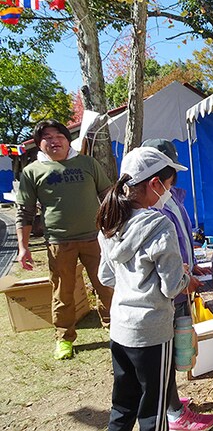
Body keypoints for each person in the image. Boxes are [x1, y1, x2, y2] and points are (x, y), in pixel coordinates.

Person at [96, 147, 213, 431]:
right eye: (169, 186)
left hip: (121, 326)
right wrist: (185, 278)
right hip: (151, 331)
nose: (169, 193)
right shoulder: (159, 224)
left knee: (123, 405)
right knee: (154, 412)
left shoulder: (110, 219)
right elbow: (173, 286)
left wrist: (135, 279)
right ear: (155, 184)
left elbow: (106, 275)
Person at [15, 120, 113, 360]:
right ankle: (64, 338)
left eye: (58, 135)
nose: (54, 141)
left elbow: (108, 196)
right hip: (59, 242)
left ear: (68, 140)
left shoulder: (87, 163)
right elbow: (25, 211)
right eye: (47, 137)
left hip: (95, 238)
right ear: (39, 144)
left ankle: (115, 327)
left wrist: (116, 228)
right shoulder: (32, 171)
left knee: (106, 284)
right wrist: (23, 247)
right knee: (63, 292)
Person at [141, 139, 213, 430]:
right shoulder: (149, 208)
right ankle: (174, 413)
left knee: (176, 349)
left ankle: (172, 401)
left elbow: (182, 237)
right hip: (169, 292)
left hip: (180, 284)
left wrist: (191, 262)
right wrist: (181, 277)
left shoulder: (170, 196)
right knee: (166, 353)